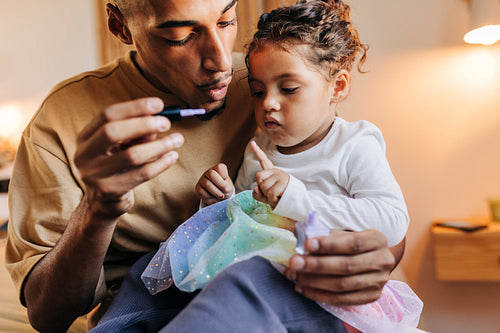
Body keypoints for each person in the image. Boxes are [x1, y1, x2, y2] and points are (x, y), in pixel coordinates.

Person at [5, 0, 404, 332]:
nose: (219, 61)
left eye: (227, 20)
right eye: (180, 36)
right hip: (176, 279)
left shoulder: (275, 73)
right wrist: (99, 208)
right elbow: (47, 314)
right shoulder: (60, 123)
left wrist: (375, 259)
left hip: (271, 283)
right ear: (120, 24)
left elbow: (374, 215)